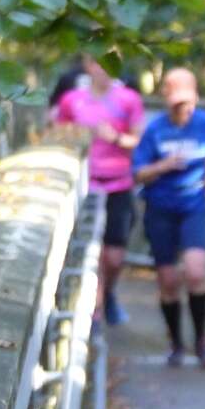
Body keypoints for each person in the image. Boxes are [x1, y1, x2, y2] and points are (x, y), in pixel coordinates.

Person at [132, 68, 205, 368]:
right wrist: (163, 166)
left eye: (188, 102)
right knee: (168, 280)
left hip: (193, 204)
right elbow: (138, 173)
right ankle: (175, 342)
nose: (184, 109)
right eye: (178, 103)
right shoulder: (154, 130)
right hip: (160, 207)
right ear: (166, 99)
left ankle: (201, 341)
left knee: (196, 272)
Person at [55, 54, 145, 326]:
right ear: (88, 65)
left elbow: (138, 140)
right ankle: (93, 310)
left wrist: (115, 137)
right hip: (85, 185)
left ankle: (109, 294)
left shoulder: (129, 99)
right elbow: (60, 136)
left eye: (109, 63)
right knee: (87, 253)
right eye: (97, 62)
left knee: (113, 257)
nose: (102, 69)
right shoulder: (72, 99)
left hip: (118, 185)